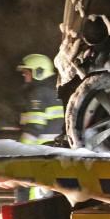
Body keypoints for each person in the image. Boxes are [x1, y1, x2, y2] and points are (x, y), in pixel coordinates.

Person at [14, 54, 65, 202]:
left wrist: (18, 151)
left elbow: (34, 127)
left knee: (29, 195)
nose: (24, 76)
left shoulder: (38, 93)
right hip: (53, 152)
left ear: (39, 72)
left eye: (27, 72)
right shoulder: (54, 90)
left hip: (38, 153)